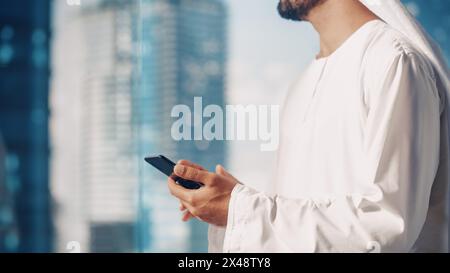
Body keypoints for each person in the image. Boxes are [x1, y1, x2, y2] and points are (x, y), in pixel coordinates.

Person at [168, 0, 450, 252]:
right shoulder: (302, 83)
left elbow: (385, 227)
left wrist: (242, 210)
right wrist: (230, 204)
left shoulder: (393, 61)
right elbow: (297, 217)